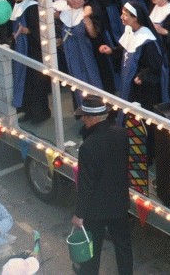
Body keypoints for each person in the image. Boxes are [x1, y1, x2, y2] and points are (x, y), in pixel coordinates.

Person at [71, 96, 133, 275]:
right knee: (123, 246)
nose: (82, 119)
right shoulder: (122, 134)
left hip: (96, 210)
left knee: (93, 250)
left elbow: (86, 184)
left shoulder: (88, 147)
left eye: (85, 116)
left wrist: (79, 214)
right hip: (119, 203)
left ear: (93, 118)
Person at [99, 1, 168, 111]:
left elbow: (155, 65)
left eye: (125, 15)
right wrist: (111, 51)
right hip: (128, 79)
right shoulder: (129, 30)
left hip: (141, 88)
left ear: (135, 18)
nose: (121, 17)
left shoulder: (147, 39)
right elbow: (125, 51)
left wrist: (142, 76)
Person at [7, 0, 51, 124]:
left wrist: (27, 31)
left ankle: (41, 113)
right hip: (20, 49)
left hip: (33, 51)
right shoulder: (15, 4)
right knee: (24, 82)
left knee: (36, 83)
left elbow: (40, 30)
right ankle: (28, 110)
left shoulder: (32, 7)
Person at [59, 0, 106, 105]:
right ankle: (82, 107)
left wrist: (86, 18)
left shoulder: (89, 12)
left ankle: (97, 107)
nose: (69, 0)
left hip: (87, 54)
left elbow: (94, 35)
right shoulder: (65, 13)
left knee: (92, 80)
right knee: (77, 82)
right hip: (71, 56)